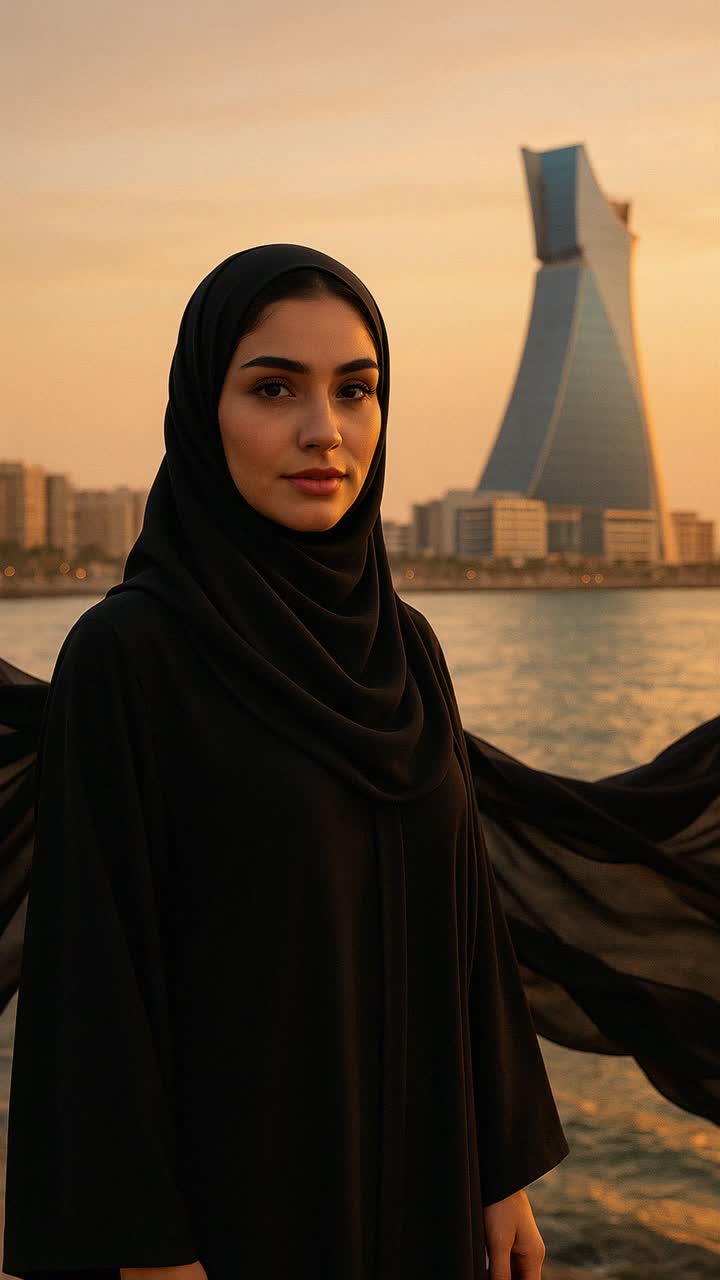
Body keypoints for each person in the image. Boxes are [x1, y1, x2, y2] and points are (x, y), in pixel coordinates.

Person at [1, 245, 571, 1280]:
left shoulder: (405, 647)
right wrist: (150, 1254)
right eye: (274, 388)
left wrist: (501, 1168)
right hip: (235, 1212)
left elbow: (465, 924)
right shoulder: (131, 655)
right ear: (200, 409)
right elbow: (93, 982)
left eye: (356, 390)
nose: (325, 430)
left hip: (425, 1182)